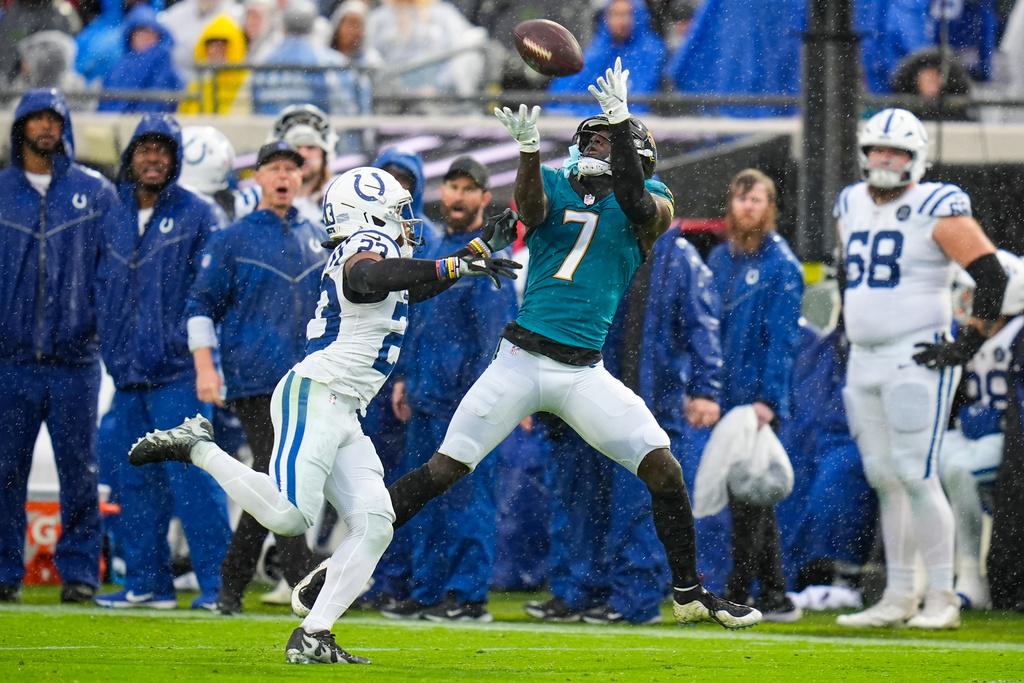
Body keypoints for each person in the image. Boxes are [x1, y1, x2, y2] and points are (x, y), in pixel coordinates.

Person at [298, 58, 762, 630]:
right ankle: (336, 568)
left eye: (606, 139)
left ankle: (690, 594)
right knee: (441, 471)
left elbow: (639, 205)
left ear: (633, 154)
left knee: (664, 471)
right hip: (519, 361)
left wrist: (620, 124)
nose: (593, 144)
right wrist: (527, 152)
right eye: (590, 137)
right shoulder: (556, 183)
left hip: (583, 373)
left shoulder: (649, 199)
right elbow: (533, 211)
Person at [126, 166, 520, 664]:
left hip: (343, 406)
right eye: (397, 209)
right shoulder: (367, 245)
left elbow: (406, 287)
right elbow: (367, 276)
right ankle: (196, 446)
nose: (407, 219)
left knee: (375, 524)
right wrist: (455, 263)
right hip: (317, 392)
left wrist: (471, 255)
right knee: (290, 517)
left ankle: (315, 633)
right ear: (368, 213)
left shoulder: (381, 251)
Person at [834, 107, 1007, 630]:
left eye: (898, 152)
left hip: (916, 355)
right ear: (865, 153)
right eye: (879, 150)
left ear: (918, 158)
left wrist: (966, 343)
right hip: (865, 356)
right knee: (884, 477)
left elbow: (990, 274)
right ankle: (898, 594)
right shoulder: (850, 202)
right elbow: (850, 276)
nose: (886, 160)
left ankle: (943, 597)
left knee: (916, 473)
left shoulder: (937, 205)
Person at [525, 222, 725, 625]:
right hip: (586, 394)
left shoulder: (676, 257)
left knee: (636, 507)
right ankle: (580, 592)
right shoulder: (603, 242)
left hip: (644, 399)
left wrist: (706, 387)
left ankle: (634, 600)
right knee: (579, 501)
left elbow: (699, 324)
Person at [184, 141, 329, 615]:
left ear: (301, 177)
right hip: (255, 380)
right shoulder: (233, 238)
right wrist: (205, 367)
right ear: (258, 177)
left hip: (307, 379)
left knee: (271, 478)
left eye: (292, 168)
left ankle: (230, 586)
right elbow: (200, 305)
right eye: (275, 168)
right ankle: (305, 585)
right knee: (282, 481)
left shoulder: (318, 235)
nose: (284, 176)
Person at [94, 113, 232, 610]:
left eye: (163, 150)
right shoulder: (111, 216)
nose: (153, 158)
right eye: (145, 149)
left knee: (194, 479)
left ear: (175, 159)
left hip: (179, 373)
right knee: (135, 480)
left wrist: (204, 362)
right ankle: (148, 583)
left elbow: (212, 294)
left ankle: (219, 587)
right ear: (130, 157)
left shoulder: (200, 214)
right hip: (128, 375)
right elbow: (100, 289)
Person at [381, 157, 518, 622]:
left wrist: (483, 401)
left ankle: (468, 596)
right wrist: (406, 378)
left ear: (485, 198)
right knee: (425, 503)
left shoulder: (485, 260)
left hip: (466, 404)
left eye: (468, 188)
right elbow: (418, 322)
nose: (458, 196)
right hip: (426, 398)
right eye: (453, 186)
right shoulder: (437, 251)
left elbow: (495, 340)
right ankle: (427, 591)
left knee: (468, 501)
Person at [0, 88, 118, 605]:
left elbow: (113, 274)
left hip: (76, 362)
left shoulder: (96, 192)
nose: (47, 127)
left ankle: (80, 572)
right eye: (37, 118)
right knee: (5, 469)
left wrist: (97, 330)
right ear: (20, 127)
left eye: (55, 118)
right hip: (10, 361)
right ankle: (5, 571)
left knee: (80, 470)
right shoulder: (2, 191)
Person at [706, 168, 805, 622]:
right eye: (741, 198)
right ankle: (774, 593)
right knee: (749, 496)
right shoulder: (720, 260)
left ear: (770, 208)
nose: (747, 206)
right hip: (726, 397)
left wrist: (768, 399)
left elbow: (783, 339)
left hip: (757, 401)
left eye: (756, 199)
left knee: (750, 499)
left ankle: (740, 589)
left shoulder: (782, 265)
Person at [938, 251, 1024, 611]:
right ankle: (930, 577)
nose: (966, 301)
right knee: (919, 465)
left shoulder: (1017, 333)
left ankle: (972, 576)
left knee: (961, 471)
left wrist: (990, 419)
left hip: (1008, 437)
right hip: (978, 432)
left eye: (973, 293)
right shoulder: (973, 334)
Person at [250, 0, 367, 130]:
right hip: (318, 133)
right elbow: (346, 110)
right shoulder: (332, 62)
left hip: (273, 133)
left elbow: (254, 106)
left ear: (284, 25)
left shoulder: (263, 60)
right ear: (314, 24)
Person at [547, 0, 666, 117]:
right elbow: (562, 94)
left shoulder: (652, 51)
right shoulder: (596, 50)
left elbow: (641, 100)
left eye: (627, 14)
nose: (622, 21)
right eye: (616, 14)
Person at [97, 4, 184, 114]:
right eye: (140, 32)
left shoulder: (165, 62)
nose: (146, 37)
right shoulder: (117, 68)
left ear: (159, 36)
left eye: (151, 32)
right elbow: (107, 107)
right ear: (130, 36)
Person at [179, 13, 251, 115]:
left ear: (234, 48)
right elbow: (185, 113)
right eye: (211, 46)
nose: (215, 51)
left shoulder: (246, 80)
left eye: (221, 46)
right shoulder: (198, 81)